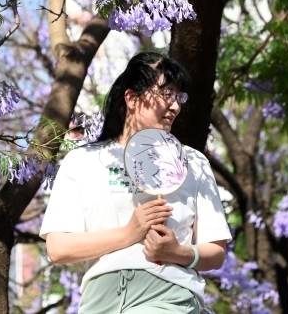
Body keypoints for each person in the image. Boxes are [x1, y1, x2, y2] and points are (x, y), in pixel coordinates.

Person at [39, 52, 231, 313]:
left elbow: (216, 251)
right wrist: (130, 233)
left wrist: (177, 252)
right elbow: (58, 248)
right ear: (131, 98)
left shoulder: (193, 162)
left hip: (170, 294)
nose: (175, 106)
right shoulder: (83, 161)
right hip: (100, 301)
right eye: (166, 93)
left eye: (179, 97)